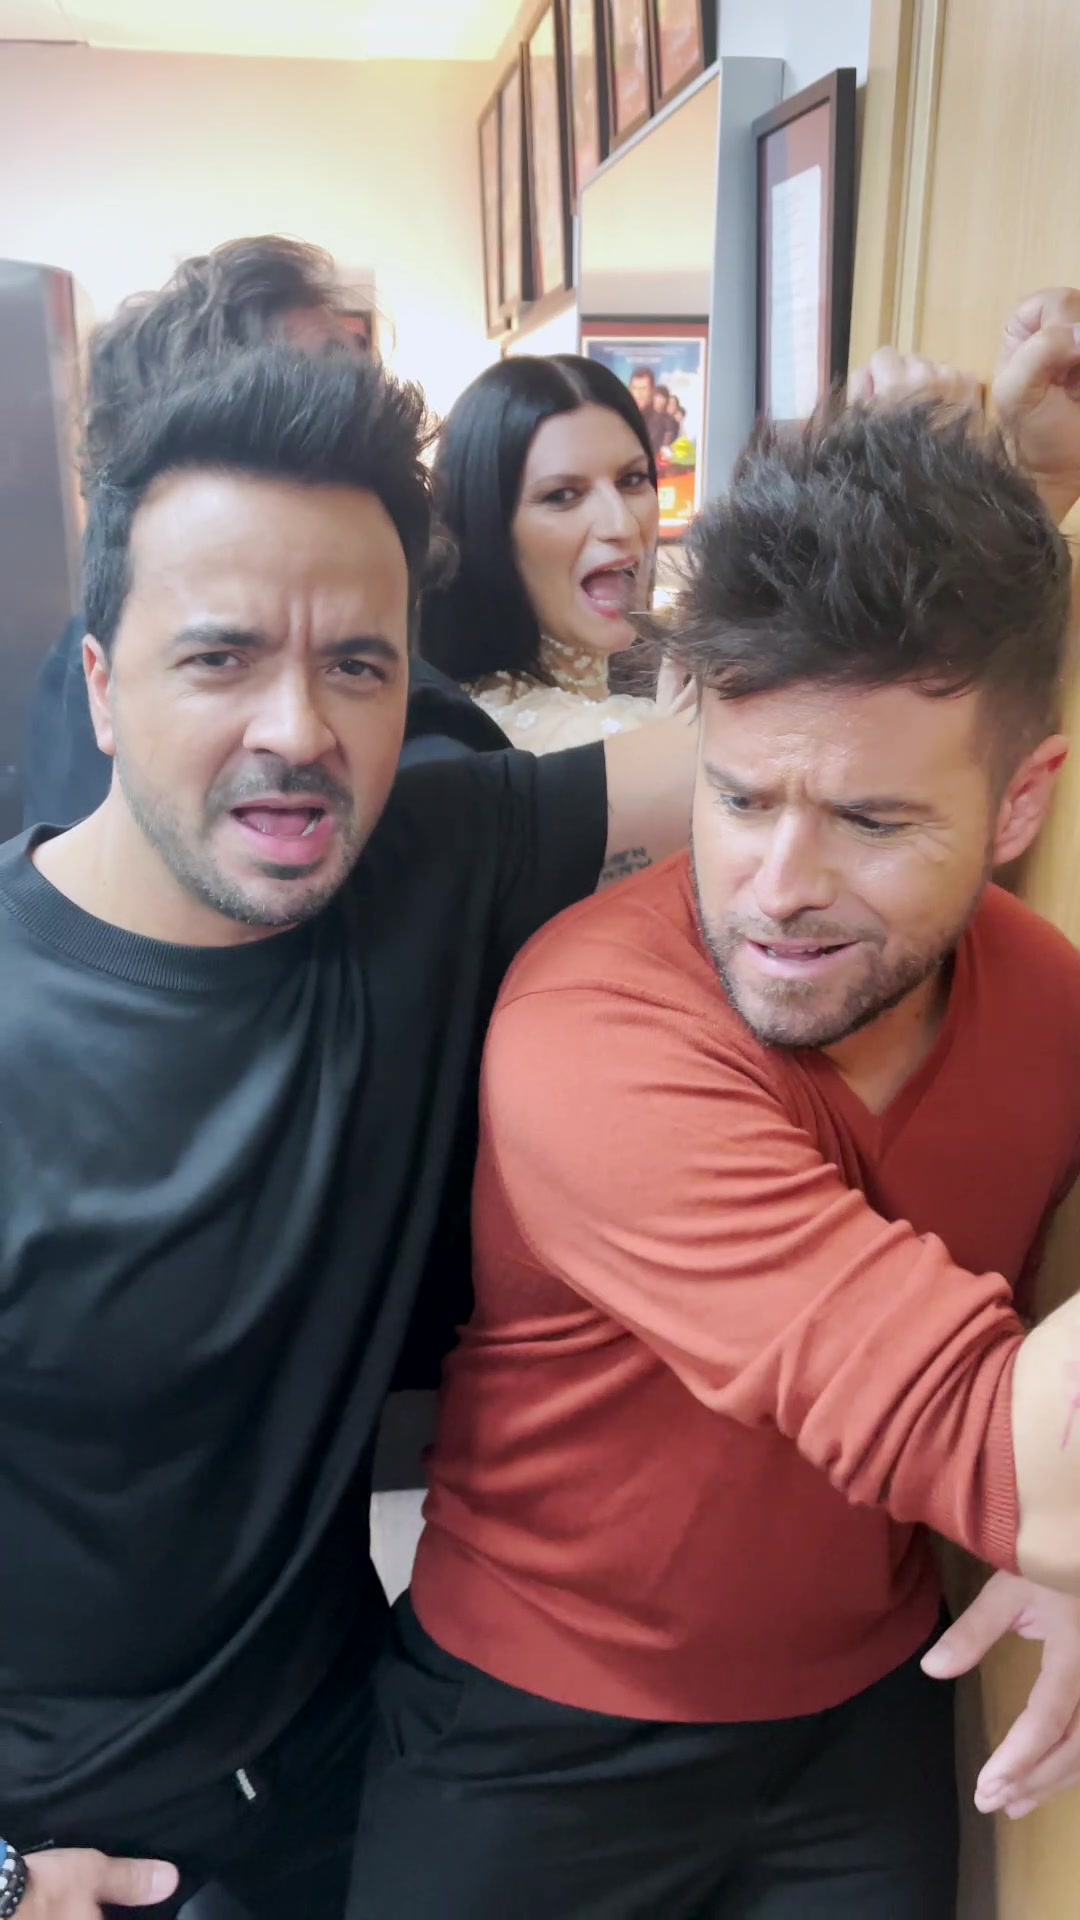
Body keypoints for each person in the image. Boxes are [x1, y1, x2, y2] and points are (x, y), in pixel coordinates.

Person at [349, 392, 1080, 1919]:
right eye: (740, 798)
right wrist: (1057, 1512)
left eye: (871, 819)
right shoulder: (589, 1030)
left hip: (864, 1720)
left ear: (1022, 799)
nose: (777, 888)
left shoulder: (1050, 1005)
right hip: (532, 1731)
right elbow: (1002, 1449)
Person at [0, 344, 695, 1918]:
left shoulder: (426, 862)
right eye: (221, 657)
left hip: (349, 1779)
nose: (300, 728)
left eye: (359, 667)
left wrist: (1031, 479)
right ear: (101, 686)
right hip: (64, 1846)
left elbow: (799, 739)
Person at [22, 235, 508, 831]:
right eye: (218, 660)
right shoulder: (82, 673)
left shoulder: (426, 723)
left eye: (351, 667)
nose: (352, 407)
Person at [419, 354, 689, 753]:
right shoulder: (597, 742)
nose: (622, 525)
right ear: (487, 527)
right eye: (563, 495)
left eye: (632, 480)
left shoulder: (651, 705)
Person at [628, 364, 675, 456]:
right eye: (635, 388)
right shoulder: (622, 420)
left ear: (652, 391)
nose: (638, 394)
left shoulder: (663, 423)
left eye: (643, 389)